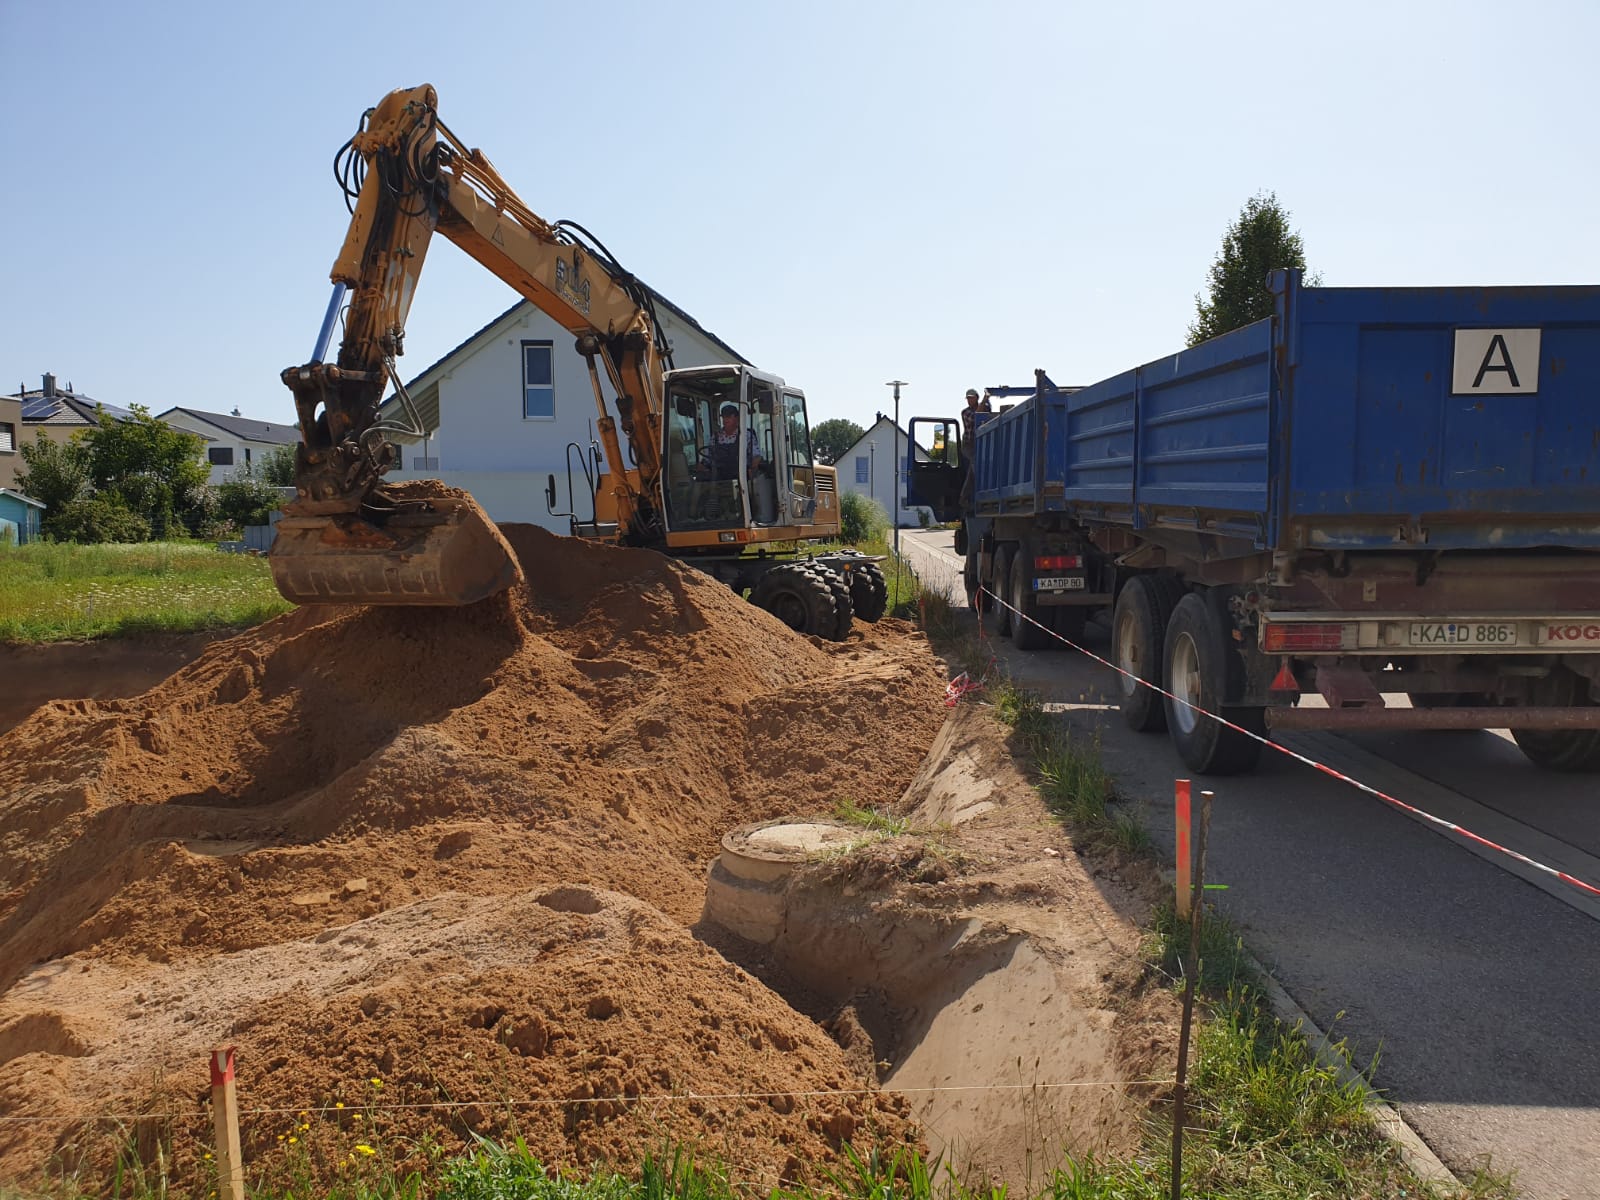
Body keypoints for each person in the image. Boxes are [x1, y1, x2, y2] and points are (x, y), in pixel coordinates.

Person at [701, 402, 762, 481]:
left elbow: (756, 456)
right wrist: (703, 467)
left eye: (729, 416)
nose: (726, 419)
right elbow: (707, 458)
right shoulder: (715, 437)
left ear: (737, 418)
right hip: (720, 479)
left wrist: (752, 469)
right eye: (723, 416)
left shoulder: (746, 435)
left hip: (742, 479)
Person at [958, 387, 990, 510]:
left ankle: (963, 497)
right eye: (968, 398)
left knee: (972, 470)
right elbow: (977, 416)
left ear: (976, 397)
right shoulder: (965, 412)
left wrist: (986, 401)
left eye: (972, 398)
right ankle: (983, 489)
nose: (969, 400)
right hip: (968, 445)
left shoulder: (985, 407)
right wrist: (985, 399)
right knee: (975, 462)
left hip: (980, 445)